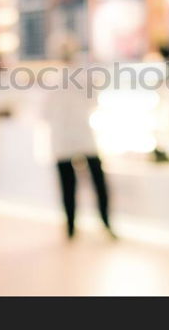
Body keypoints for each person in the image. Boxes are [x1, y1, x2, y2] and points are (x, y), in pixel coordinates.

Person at [44, 41, 115, 240]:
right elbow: (95, 100)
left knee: (68, 186)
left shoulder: (52, 79)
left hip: (64, 140)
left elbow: (44, 113)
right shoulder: (84, 77)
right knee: (97, 184)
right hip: (81, 137)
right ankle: (105, 221)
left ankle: (71, 228)